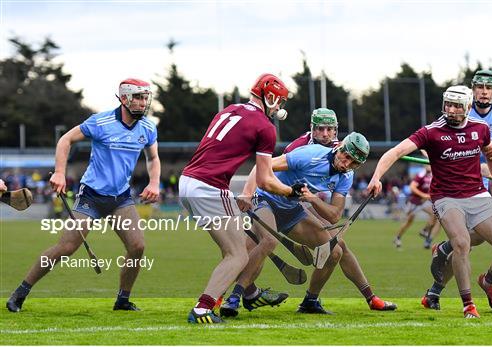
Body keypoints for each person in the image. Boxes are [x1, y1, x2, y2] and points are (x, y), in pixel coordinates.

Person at [6, 78, 161, 313]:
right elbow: (65, 140)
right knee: (66, 248)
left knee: (138, 247)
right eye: (138, 97)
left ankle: (122, 300)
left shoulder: (148, 128)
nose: (142, 103)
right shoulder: (101, 122)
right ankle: (20, 292)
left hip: (120, 198)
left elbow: (154, 158)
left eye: (144, 98)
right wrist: (60, 173)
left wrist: (154, 182)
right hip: (91, 196)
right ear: (125, 98)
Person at [366, 85, 492, 318]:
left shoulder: (480, 128)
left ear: (467, 107)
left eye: (457, 105)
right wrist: (376, 177)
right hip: (446, 197)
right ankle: (468, 305)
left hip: (477, 195)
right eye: (448, 104)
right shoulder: (431, 132)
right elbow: (395, 152)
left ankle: (487, 281)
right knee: (462, 243)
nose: (451, 109)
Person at [220, 132, 397, 317]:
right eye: (347, 157)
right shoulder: (310, 154)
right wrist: (247, 194)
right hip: (265, 199)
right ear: (340, 148)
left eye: (354, 163)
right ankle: (233, 298)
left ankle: (310, 302)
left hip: (291, 207)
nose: (347, 164)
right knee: (265, 243)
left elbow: (335, 215)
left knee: (334, 251)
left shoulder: (345, 176)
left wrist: (313, 199)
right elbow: (261, 167)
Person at [179, 73, 301, 324]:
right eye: (279, 101)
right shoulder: (265, 127)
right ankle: (202, 309)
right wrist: (291, 192)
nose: (279, 107)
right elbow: (266, 180)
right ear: (269, 97)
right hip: (209, 187)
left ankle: (251, 292)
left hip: (187, 182)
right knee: (238, 254)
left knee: (236, 246)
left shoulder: (229, 109)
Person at [424, 70, 492, 312]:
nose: (484, 91)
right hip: (454, 190)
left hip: (480, 191)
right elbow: (431, 144)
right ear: (472, 90)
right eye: (480, 87)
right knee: (462, 244)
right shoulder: (458, 110)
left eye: (489, 87)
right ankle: (438, 292)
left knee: (470, 243)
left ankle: (482, 279)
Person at [393, 165, 441, 249]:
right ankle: (397, 237)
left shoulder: (432, 174)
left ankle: (425, 231)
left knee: (435, 214)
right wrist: (424, 195)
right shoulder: (421, 175)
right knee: (409, 222)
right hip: (415, 202)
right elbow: (412, 187)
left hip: (424, 202)